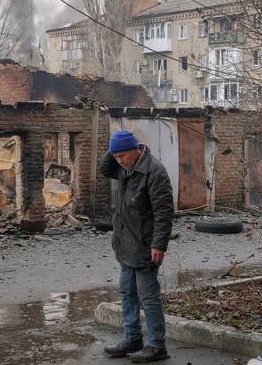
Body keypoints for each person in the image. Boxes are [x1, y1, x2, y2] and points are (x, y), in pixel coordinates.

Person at [100, 130, 174, 363]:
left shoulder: (155, 172)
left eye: (122, 155)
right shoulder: (124, 168)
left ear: (137, 150)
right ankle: (133, 338)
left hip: (145, 244)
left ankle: (156, 345)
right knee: (127, 293)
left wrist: (159, 244)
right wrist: (114, 147)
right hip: (125, 243)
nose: (119, 160)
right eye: (116, 156)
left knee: (148, 297)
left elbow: (164, 213)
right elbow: (105, 168)